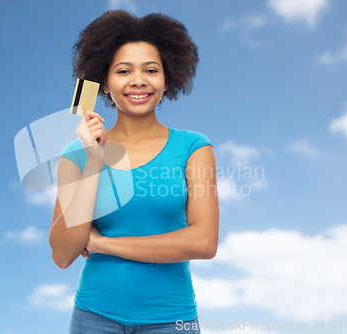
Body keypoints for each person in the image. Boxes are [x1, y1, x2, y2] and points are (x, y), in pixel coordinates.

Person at [48, 9, 219, 334]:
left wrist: (103, 244)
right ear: (103, 80)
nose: (138, 80)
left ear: (167, 78)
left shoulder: (194, 148)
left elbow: (204, 241)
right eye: (123, 70)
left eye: (151, 70)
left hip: (172, 321)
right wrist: (93, 160)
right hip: (93, 318)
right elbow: (62, 253)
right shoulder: (77, 154)